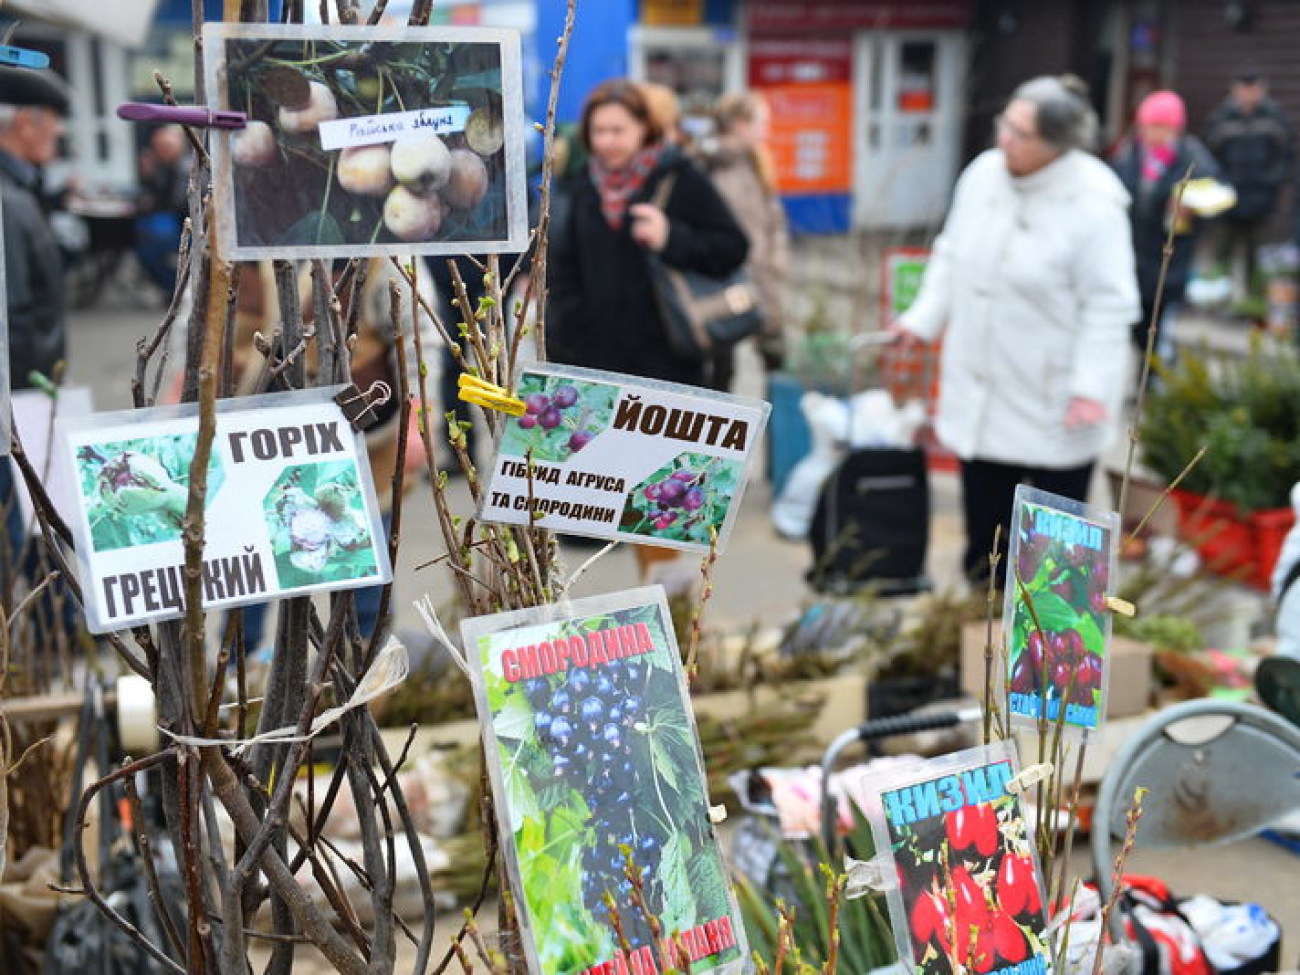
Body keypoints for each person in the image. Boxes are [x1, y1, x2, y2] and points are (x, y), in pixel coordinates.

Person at [892, 75, 1139, 584]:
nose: (1004, 138)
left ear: (1056, 144)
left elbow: (1109, 305)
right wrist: (922, 320)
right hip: (982, 396)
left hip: (1054, 402)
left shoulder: (1093, 202)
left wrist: (1091, 389)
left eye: (1020, 133)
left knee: (1056, 563)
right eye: (1005, 124)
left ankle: (1053, 657)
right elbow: (950, 254)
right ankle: (977, 639)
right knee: (988, 548)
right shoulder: (983, 175)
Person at [228, 258, 440, 652]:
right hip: (252, 438)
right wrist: (180, 402)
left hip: (357, 444)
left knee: (359, 570)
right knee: (248, 564)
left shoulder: (377, 249)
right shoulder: (240, 235)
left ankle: (362, 672)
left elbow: (415, 334)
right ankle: (244, 676)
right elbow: (201, 329)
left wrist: (419, 419)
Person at [546, 77, 748, 388]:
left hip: (668, 369)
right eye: (599, 131)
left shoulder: (677, 175)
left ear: (644, 127)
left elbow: (733, 247)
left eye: (618, 131)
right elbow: (564, 271)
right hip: (597, 370)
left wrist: (671, 237)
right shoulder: (583, 184)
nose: (607, 142)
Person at [1110, 90, 1221, 370]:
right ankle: (1146, 375)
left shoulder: (1192, 159)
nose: (1151, 133)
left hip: (1169, 256)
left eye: (1160, 126)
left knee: (1158, 325)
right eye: (1147, 125)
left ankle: (1153, 382)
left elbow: (1217, 194)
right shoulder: (1128, 153)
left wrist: (1191, 205)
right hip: (1133, 252)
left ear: (1175, 128)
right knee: (1136, 324)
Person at [696, 91, 789, 388]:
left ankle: (775, 432)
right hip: (726, 286)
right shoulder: (707, 165)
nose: (767, 130)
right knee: (722, 370)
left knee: (776, 362)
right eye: (762, 122)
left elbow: (773, 219)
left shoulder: (757, 163)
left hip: (762, 281)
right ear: (738, 124)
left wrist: (777, 256)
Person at [1204, 66, 1295, 302]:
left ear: (1261, 89)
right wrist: (1220, 183)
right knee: (1222, 252)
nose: (1248, 94)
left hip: (1262, 199)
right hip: (1227, 198)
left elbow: (1286, 155)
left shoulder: (1274, 118)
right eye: (1244, 89)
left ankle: (1253, 304)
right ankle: (1217, 302)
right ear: (1234, 90)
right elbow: (1208, 156)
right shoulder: (1221, 118)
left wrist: (1272, 182)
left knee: (1258, 256)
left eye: (1253, 89)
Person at [134, 123, 191, 299]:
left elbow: (176, 203)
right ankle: (173, 286)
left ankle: (173, 287)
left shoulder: (186, 168)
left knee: (147, 245)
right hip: (177, 223)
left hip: (189, 228)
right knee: (142, 232)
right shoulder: (168, 165)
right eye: (157, 148)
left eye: (165, 147)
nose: (160, 152)